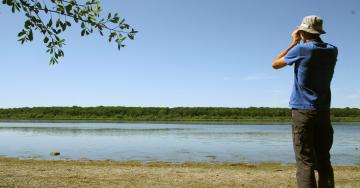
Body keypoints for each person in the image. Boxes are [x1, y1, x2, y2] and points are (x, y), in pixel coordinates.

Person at [272, 15, 338, 188]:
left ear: (303, 32)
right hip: (324, 111)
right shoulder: (332, 50)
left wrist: (294, 42)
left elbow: (275, 64)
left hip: (302, 111)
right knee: (324, 159)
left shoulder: (302, 49)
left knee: (304, 161)